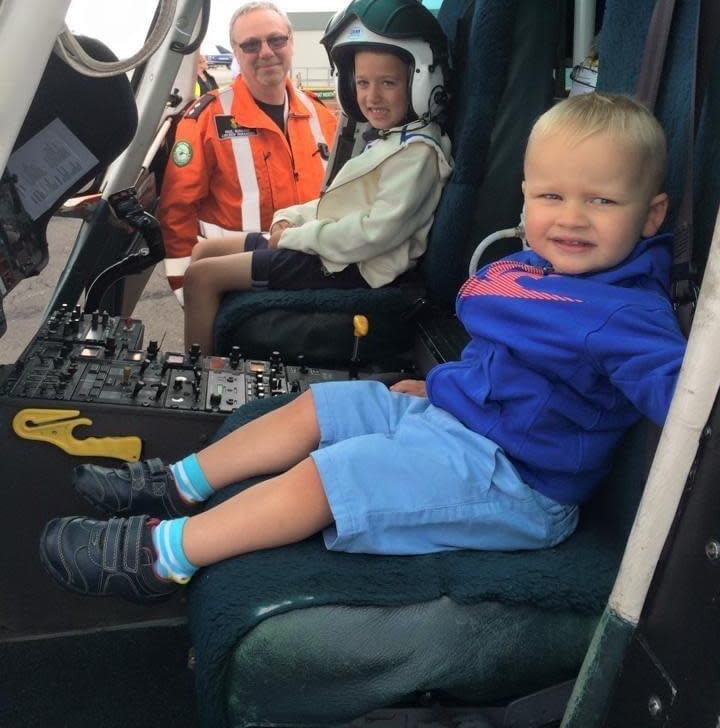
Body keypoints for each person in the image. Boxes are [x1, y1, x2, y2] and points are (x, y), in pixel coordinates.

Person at [40, 92, 687, 603]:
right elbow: (505, 359)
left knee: (328, 479)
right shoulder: (540, 270)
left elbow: (682, 397)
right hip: (460, 421)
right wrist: (439, 386)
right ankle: (177, 484)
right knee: (318, 407)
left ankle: (164, 556)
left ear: (651, 215)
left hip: (515, 483)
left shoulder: (628, 315)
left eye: (601, 201)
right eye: (552, 196)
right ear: (526, 199)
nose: (571, 217)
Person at [180, 0, 454, 354]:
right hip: (330, 246)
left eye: (388, 83)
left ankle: (198, 379)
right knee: (206, 252)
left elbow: (375, 234)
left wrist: (296, 237)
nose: (371, 97)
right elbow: (334, 202)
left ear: (419, 82)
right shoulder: (390, 140)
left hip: (352, 265)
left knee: (202, 277)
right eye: (362, 83)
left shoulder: (416, 153)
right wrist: (288, 218)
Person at [157, 2, 337, 303]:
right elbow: (177, 212)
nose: (266, 52)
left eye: (276, 40)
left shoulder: (321, 116)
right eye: (251, 45)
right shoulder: (206, 119)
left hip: (313, 282)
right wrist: (190, 293)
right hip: (239, 289)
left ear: (290, 43)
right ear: (236, 53)